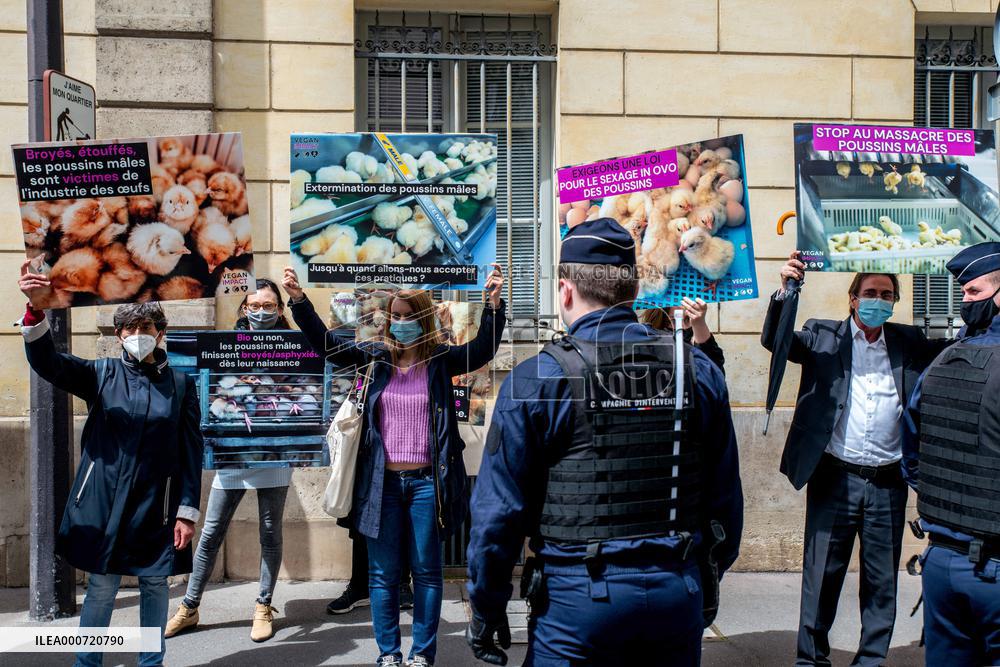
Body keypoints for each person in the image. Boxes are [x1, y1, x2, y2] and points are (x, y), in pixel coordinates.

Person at [465, 218, 743, 666]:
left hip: (577, 604)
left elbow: (499, 516)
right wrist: (708, 576)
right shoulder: (699, 370)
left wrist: (486, 607)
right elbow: (725, 496)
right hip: (675, 591)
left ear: (565, 291)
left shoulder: (536, 379)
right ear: (633, 290)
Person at [284, 264, 507, 667]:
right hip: (380, 485)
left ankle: (422, 653)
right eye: (396, 315)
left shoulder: (441, 361)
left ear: (424, 318)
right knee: (383, 577)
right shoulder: (374, 358)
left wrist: (493, 305)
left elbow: (484, 347)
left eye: (410, 316)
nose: (402, 323)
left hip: (427, 485)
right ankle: (389, 653)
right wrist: (299, 301)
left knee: (426, 573)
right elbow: (326, 345)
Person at [761, 251, 951, 667]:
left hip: (887, 480)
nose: (877, 299)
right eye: (870, 292)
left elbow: (955, 348)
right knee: (822, 575)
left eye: (886, 294)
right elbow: (775, 342)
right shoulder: (822, 335)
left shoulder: (908, 342)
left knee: (882, 580)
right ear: (852, 298)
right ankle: (811, 660)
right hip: (835, 476)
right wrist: (786, 290)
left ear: (895, 300)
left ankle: (870, 660)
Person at [17, 259, 202, 667]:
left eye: (147, 329)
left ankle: (151, 662)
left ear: (161, 333)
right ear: (119, 335)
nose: (139, 336)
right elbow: (49, 362)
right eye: (131, 329)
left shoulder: (181, 384)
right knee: (102, 586)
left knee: (155, 584)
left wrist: (187, 511)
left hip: (157, 506)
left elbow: (192, 450)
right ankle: (88, 662)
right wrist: (35, 310)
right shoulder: (99, 374)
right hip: (104, 501)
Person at [165, 278, 293, 643]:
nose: (261, 312)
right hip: (233, 452)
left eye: (269, 306)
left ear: (280, 310)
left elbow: (306, 386)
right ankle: (189, 606)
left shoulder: (296, 347)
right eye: (254, 305)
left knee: (270, 532)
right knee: (210, 533)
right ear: (243, 309)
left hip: (276, 452)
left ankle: (263, 604)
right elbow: (207, 388)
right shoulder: (224, 346)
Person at [902, 242, 1000, 666]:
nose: (963, 300)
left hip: (942, 562)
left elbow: (911, 456)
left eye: (973, 292)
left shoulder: (940, 362)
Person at [638, 297, 726, 373]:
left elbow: (716, 375)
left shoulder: (699, 339)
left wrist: (700, 328)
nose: (683, 327)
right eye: (674, 320)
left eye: (688, 319)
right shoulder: (646, 347)